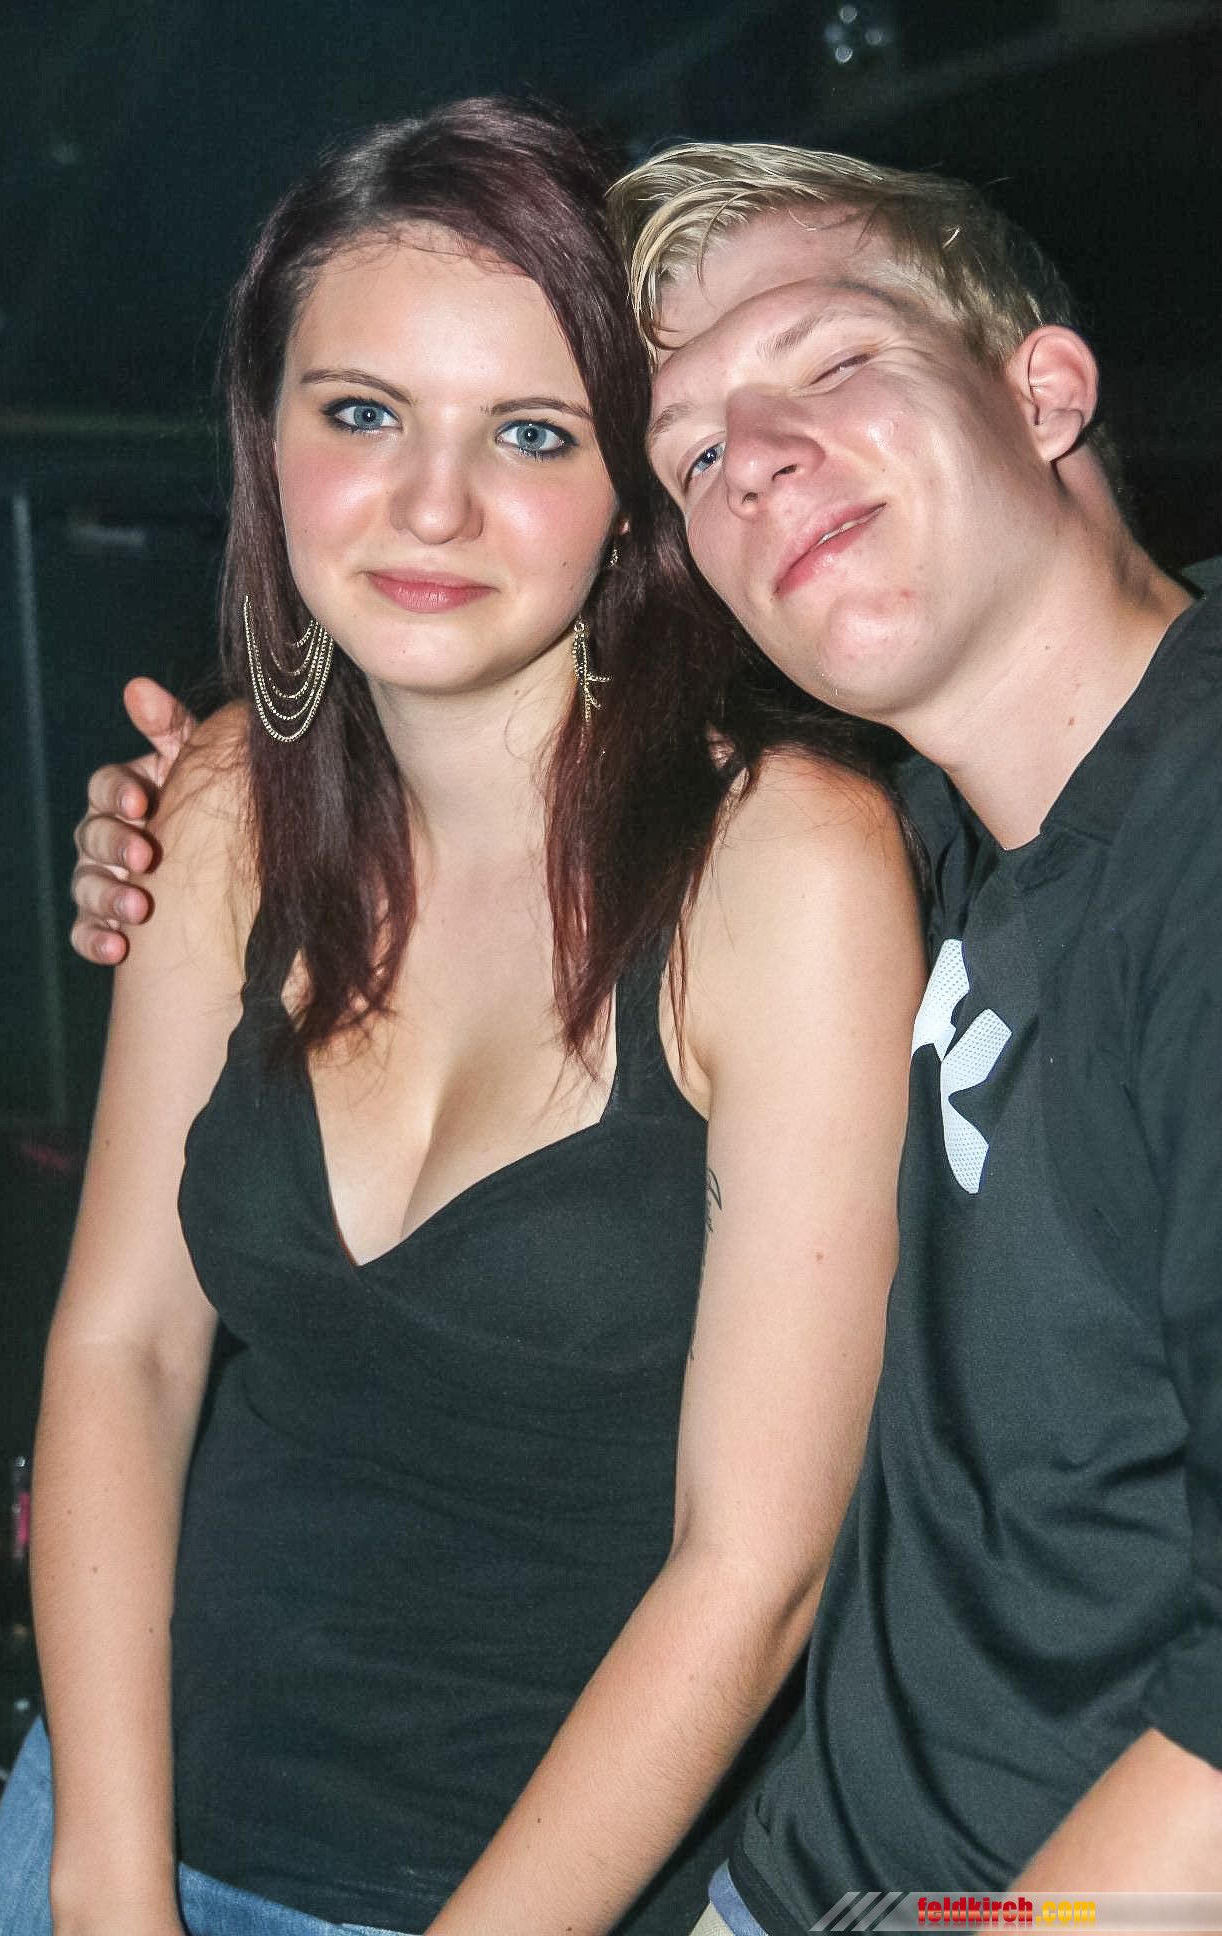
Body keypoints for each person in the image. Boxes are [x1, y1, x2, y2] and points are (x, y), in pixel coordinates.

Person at [0, 105, 927, 1936]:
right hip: (128, 1812)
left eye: (532, 434)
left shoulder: (787, 868)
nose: (429, 506)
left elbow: (755, 1571)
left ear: (633, 485)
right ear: (267, 439)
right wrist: (102, 1876)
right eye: (360, 413)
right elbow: (122, 1352)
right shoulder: (223, 806)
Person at [602, 144, 1222, 1927]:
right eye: (693, 457)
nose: (751, 461)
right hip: (797, 1865)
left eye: (830, 359)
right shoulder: (920, 840)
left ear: (1043, 393)